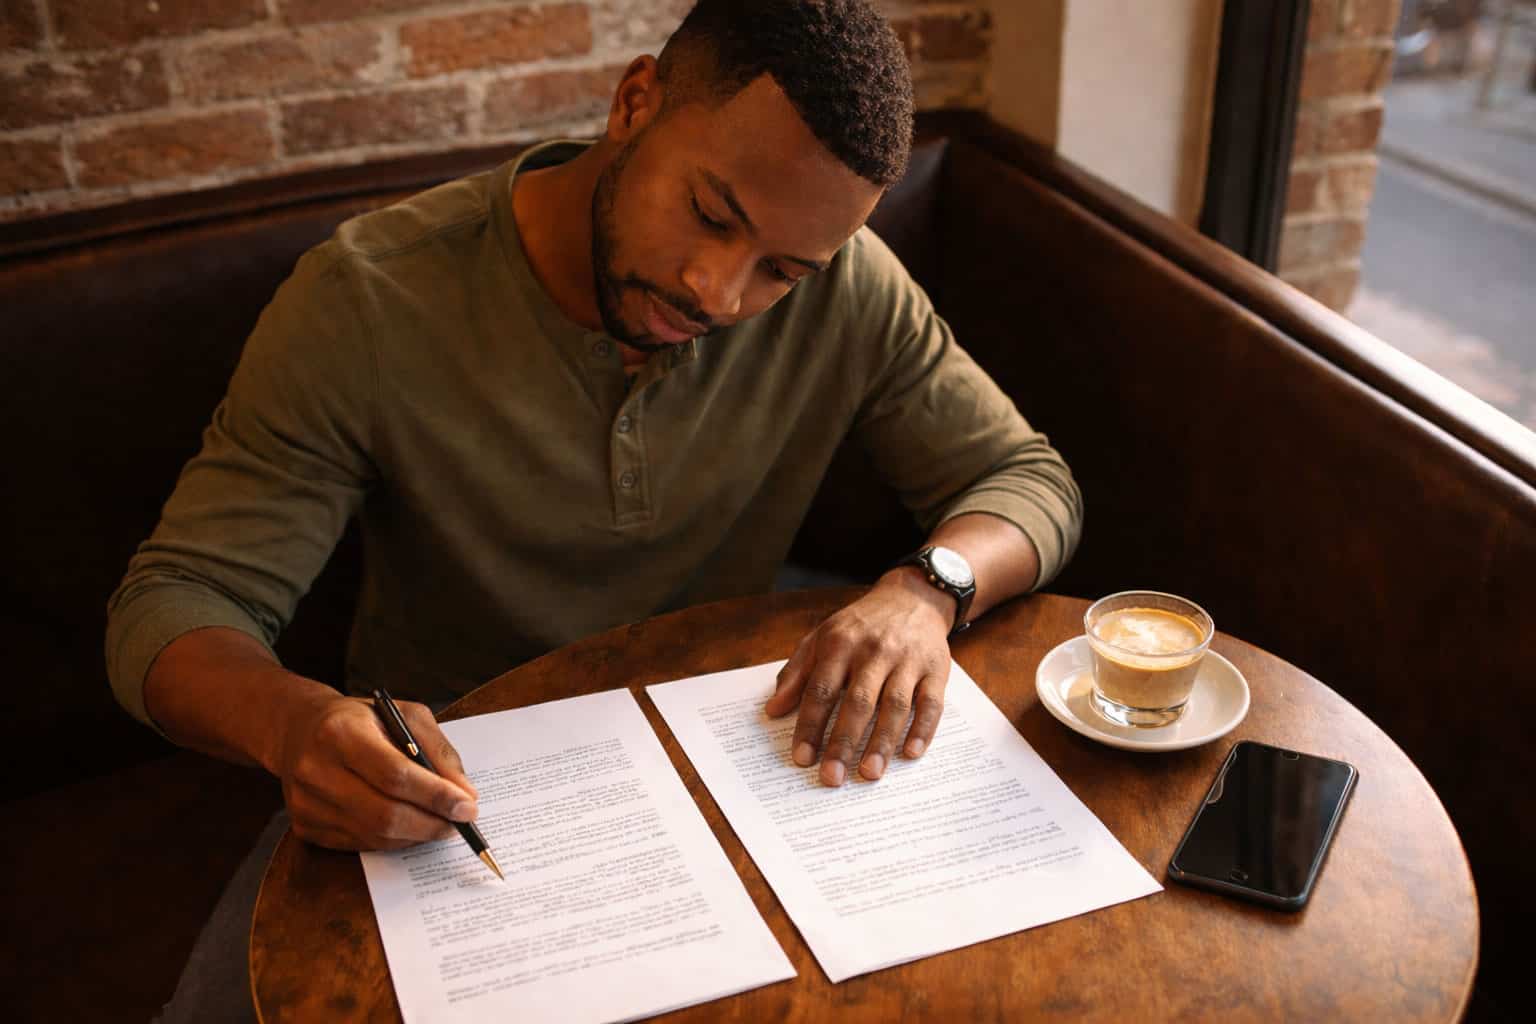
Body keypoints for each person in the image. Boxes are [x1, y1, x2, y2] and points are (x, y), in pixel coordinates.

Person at [110, 0, 1079, 870]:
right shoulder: (369, 298)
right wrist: (299, 724)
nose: (719, 291)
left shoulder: (847, 283)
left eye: (780, 271)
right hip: (458, 773)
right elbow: (177, 600)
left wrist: (925, 590)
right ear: (635, 102)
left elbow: (1024, 477)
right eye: (708, 213)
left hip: (732, 745)